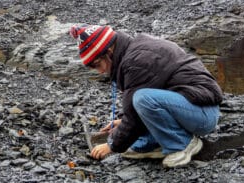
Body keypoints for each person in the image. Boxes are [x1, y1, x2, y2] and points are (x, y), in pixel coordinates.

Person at [69, 24, 222, 168]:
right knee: (141, 100)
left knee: (143, 99)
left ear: (109, 51)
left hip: (203, 114)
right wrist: (123, 120)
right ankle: (157, 144)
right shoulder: (132, 52)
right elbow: (137, 97)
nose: (100, 71)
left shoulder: (136, 61)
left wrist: (112, 145)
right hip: (190, 108)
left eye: (97, 64)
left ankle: (183, 144)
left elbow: (136, 110)